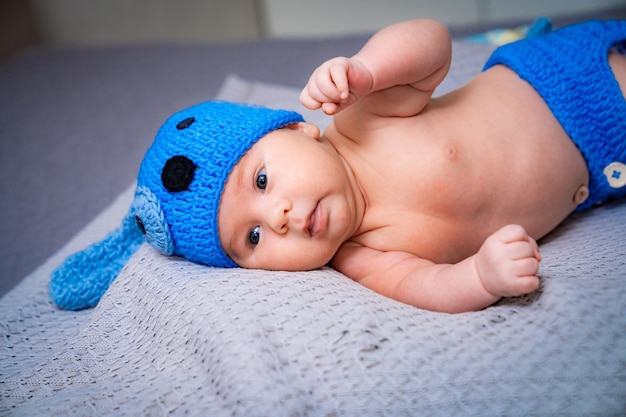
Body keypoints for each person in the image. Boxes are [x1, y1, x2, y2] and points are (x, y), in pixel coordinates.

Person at [50, 19, 626, 312]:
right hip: (605, 168)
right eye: (250, 238)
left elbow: (432, 47)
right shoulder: (359, 257)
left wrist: (368, 70)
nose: (275, 218)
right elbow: (424, 285)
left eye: (261, 180)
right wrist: (480, 278)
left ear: (298, 128)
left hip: (564, 79)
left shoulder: (362, 121)